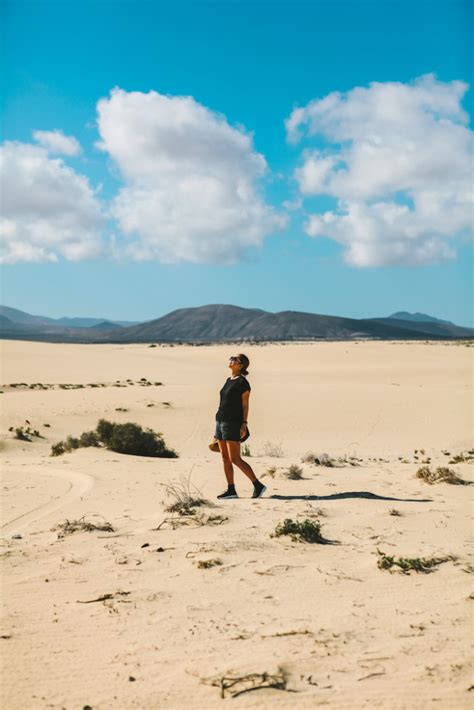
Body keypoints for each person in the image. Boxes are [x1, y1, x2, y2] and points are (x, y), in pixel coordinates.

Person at [214, 354, 266, 499]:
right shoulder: (228, 380)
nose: (231, 360)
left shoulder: (243, 383)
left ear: (241, 365)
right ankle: (231, 490)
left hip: (233, 422)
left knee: (235, 458)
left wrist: (244, 424)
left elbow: (245, 405)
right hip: (220, 421)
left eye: (235, 359)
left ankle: (258, 485)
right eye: (231, 357)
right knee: (225, 458)